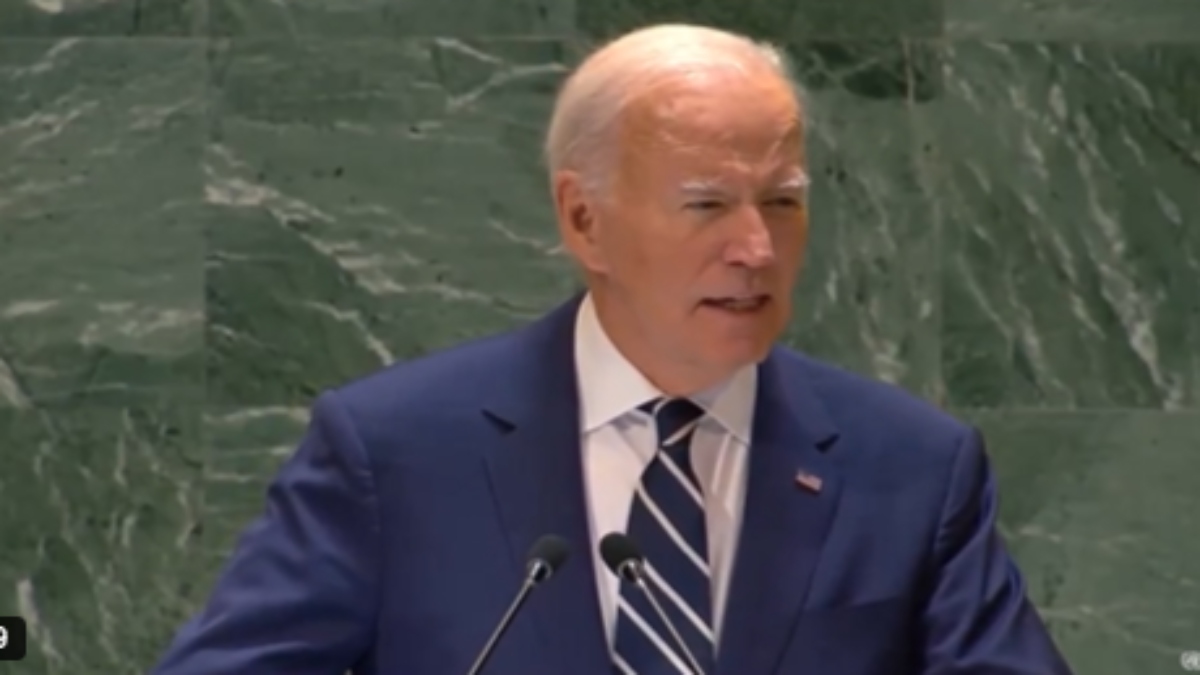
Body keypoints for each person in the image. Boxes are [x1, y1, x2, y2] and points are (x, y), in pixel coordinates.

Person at [152, 23, 1073, 675]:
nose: (756, 247)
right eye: (707, 204)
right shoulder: (396, 452)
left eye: (783, 201)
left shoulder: (911, 466)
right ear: (584, 219)